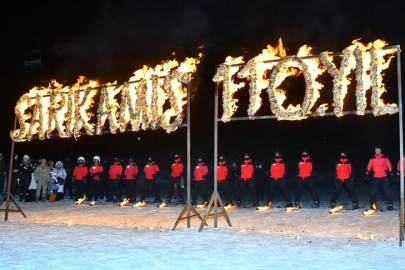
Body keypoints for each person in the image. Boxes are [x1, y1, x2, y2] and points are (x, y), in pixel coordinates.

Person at [364, 146, 394, 210]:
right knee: (373, 191)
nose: (377, 151)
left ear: (381, 150)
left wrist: (391, 174)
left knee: (387, 190)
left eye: (378, 150)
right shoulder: (372, 158)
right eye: (376, 150)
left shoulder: (385, 158)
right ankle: (372, 204)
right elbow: (369, 166)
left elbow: (389, 166)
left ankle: (390, 204)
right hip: (376, 177)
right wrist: (366, 174)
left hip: (384, 176)